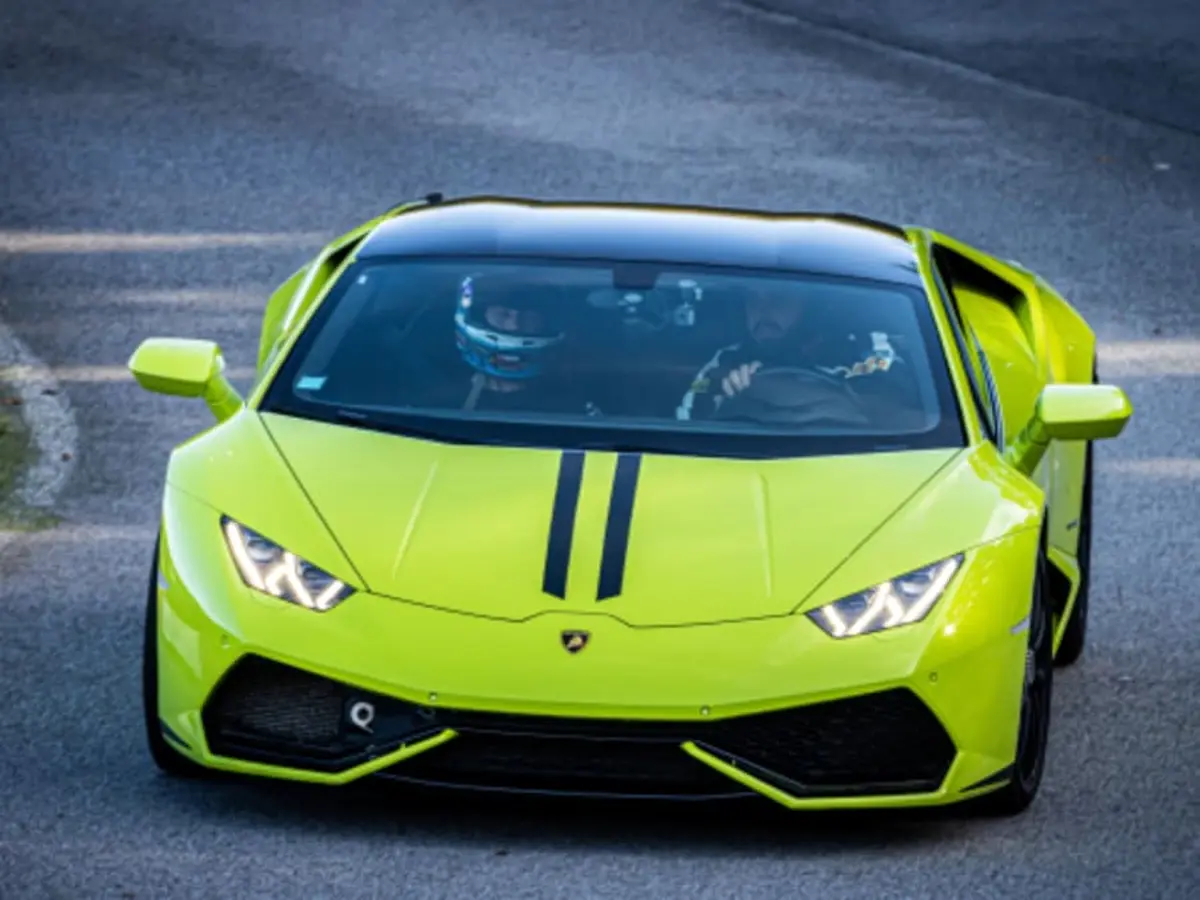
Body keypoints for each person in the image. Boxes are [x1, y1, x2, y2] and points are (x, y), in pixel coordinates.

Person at [675, 286, 904, 421]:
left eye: (779, 299)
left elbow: (905, 415)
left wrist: (771, 388)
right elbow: (688, 422)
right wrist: (725, 395)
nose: (763, 312)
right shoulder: (727, 360)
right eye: (753, 300)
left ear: (810, 308)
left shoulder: (867, 349)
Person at [452, 275, 604, 415]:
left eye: (527, 317)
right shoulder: (441, 403)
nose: (514, 326)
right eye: (503, 315)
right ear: (481, 316)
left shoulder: (576, 406)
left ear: (545, 322)